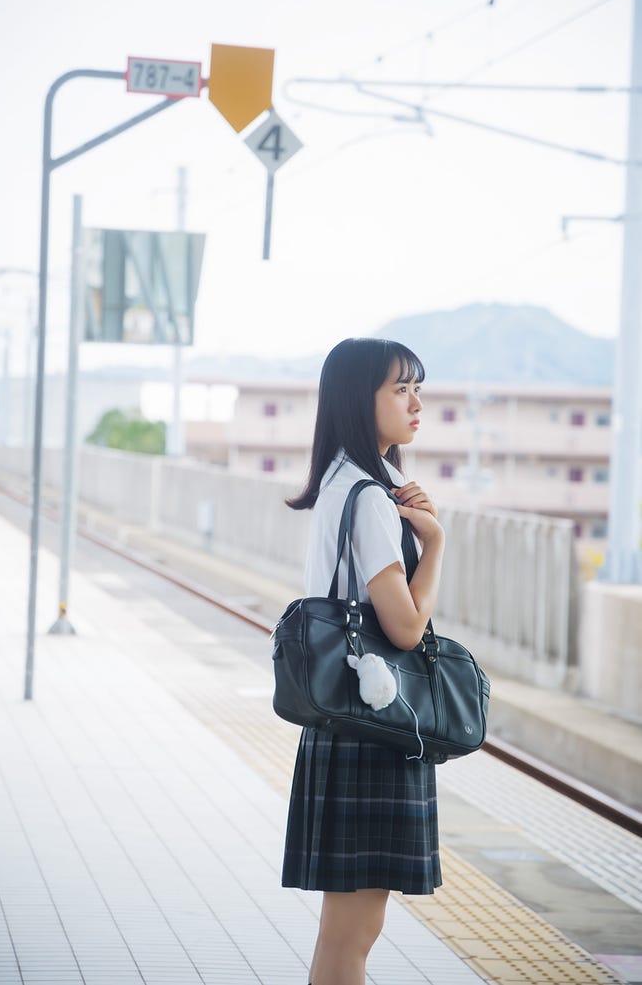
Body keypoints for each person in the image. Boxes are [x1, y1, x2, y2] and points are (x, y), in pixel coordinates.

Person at [282, 337, 446, 985]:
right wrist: (435, 545)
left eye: (417, 387)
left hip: (338, 724)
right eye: (400, 388)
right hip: (373, 730)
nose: (416, 403)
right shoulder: (373, 498)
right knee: (355, 934)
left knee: (341, 932)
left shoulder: (338, 483)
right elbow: (405, 626)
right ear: (361, 398)